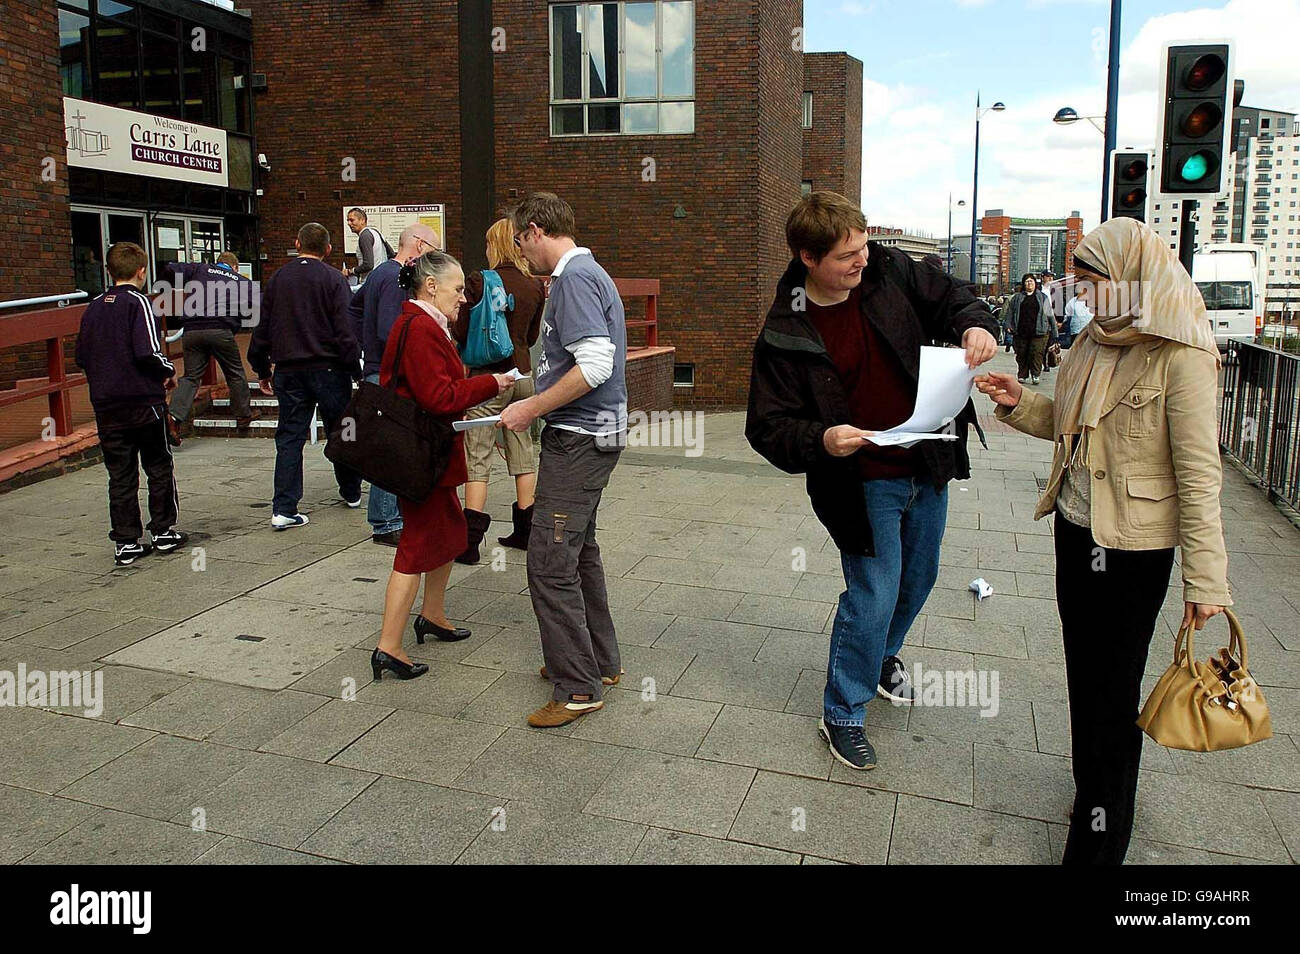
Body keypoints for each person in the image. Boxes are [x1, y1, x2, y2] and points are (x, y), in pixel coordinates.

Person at [975, 217, 1231, 865]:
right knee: (1086, 681)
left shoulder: (1184, 353)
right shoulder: (1094, 340)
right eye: (1080, 283)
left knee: (1113, 694)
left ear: (1133, 277)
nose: (1084, 296)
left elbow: (1200, 475)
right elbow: (1071, 423)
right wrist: (1019, 402)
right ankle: (1097, 790)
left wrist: (1207, 581)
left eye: (1095, 282)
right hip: (1074, 530)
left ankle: (1098, 839)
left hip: (1135, 549)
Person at [745, 191, 999, 770]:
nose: (861, 262)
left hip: (925, 459)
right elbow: (767, 426)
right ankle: (843, 712)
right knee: (875, 590)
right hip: (860, 481)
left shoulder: (887, 269)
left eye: (862, 248)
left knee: (921, 577)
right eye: (846, 256)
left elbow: (953, 296)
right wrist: (822, 440)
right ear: (808, 258)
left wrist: (974, 326)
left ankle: (882, 654)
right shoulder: (786, 329)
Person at [498, 192, 628, 729]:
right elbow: (583, 361)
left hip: (577, 440)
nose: (521, 255)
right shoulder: (592, 274)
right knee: (579, 551)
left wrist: (530, 405)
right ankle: (598, 661)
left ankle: (577, 686)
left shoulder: (573, 279)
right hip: (596, 434)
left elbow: (595, 364)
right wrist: (531, 385)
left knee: (549, 561)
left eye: (520, 242)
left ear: (534, 230)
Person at [371, 251, 514, 680]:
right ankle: (389, 646)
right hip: (421, 458)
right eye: (457, 290)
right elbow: (439, 398)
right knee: (415, 547)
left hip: (426, 454)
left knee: (450, 532)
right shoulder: (419, 328)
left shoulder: (421, 323)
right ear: (430, 286)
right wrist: (493, 382)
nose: (464, 299)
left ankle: (431, 615)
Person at [74, 241, 189, 566]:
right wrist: (168, 371)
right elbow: (147, 351)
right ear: (142, 271)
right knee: (158, 465)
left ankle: (126, 541)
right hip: (143, 401)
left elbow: (81, 355)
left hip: (107, 405)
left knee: (120, 474)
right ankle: (163, 531)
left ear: (109, 271)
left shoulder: (93, 307)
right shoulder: (139, 303)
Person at [248, 223, 362, 531]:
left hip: (289, 369)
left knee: (289, 437)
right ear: (327, 249)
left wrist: (261, 367)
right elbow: (344, 331)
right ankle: (351, 491)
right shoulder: (334, 280)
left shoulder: (278, 279)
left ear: (297, 243)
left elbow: (264, 327)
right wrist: (356, 371)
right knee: (341, 432)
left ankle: (284, 507)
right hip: (329, 369)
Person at [451, 218, 546, 564]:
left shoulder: (479, 280)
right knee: (521, 448)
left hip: (487, 379)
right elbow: (532, 338)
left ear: (495, 246)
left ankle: (470, 542)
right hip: (523, 376)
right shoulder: (535, 285)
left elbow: (461, 329)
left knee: (478, 455)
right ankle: (525, 530)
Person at [346, 223, 440, 546]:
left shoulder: (379, 276)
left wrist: (364, 346)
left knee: (389, 444)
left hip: (377, 368)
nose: (435, 259)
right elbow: (391, 330)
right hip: (387, 372)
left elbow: (355, 311)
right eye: (434, 251)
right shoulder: (393, 278)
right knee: (391, 447)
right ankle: (386, 522)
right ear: (418, 245)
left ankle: (389, 518)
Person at [165, 251, 260, 446]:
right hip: (221, 328)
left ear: (217, 263)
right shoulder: (241, 280)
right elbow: (258, 303)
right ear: (235, 267)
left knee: (191, 377)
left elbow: (171, 268)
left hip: (191, 330)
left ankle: (173, 418)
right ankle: (243, 415)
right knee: (234, 373)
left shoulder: (200, 268)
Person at [1002, 273, 1054, 385]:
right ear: (1023, 284)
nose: (1029, 283)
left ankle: (1035, 374)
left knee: (1036, 353)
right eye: (1026, 281)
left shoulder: (1042, 297)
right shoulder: (1017, 298)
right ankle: (1022, 375)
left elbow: (1050, 315)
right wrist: (1008, 326)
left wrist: (1054, 331)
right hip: (1021, 331)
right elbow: (1010, 313)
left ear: (1035, 283)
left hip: (1039, 332)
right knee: (1022, 354)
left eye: (1031, 281)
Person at [341, 208, 393, 282]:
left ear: (362, 220)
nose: (349, 223)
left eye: (352, 220)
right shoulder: (376, 232)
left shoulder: (364, 236)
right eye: (348, 220)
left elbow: (368, 265)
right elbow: (391, 254)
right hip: (381, 279)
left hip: (370, 282)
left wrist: (350, 271)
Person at [1061, 281, 1094, 349]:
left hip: (1090, 332)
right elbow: (1067, 315)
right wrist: (1061, 323)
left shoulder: (1093, 300)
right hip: (1076, 332)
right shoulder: (1072, 301)